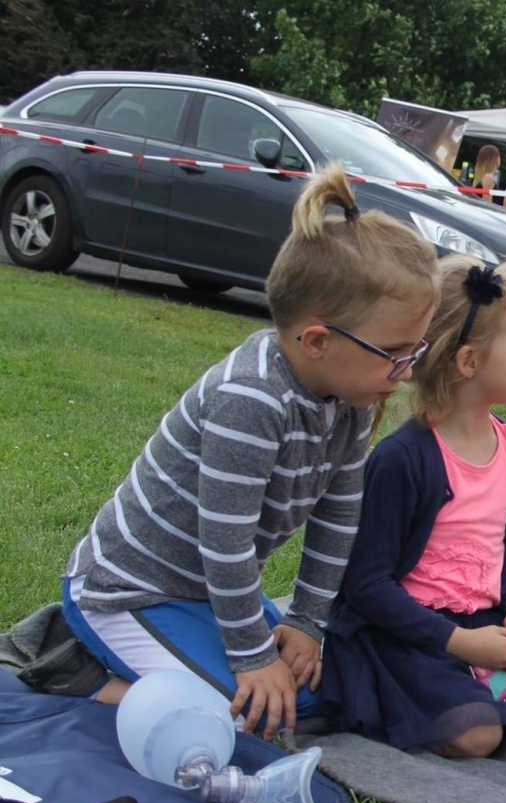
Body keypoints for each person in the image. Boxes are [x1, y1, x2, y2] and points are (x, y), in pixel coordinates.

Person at [57, 167, 439, 739]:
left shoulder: (354, 393)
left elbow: (338, 518)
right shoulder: (252, 398)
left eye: (415, 351)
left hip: (208, 594)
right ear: (316, 340)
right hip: (128, 593)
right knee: (251, 714)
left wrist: (308, 623)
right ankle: (75, 672)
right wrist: (253, 658)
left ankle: (183, 664)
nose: (405, 372)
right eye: (395, 353)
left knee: (318, 695)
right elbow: (226, 541)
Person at [318, 257, 506, 758]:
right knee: (477, 732)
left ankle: (489, 691)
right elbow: (366, 586)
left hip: (483, 624)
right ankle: (480, 699)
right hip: (411, 636)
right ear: (469, 362)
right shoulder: (404, 459)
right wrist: (460, 645)